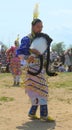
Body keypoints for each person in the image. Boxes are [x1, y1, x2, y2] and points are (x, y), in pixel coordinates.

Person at [17, 18, 56, 122]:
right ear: (33, 27)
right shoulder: (27, 39)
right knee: (42, 90)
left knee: (35, 91)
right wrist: (27, 57)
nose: (40, 29)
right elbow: (20, 54)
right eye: (38, 26)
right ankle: (44, 115)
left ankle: (32, 113)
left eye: (41, 27)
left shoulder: (41, 39)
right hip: (32, 69)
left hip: (39, 68)